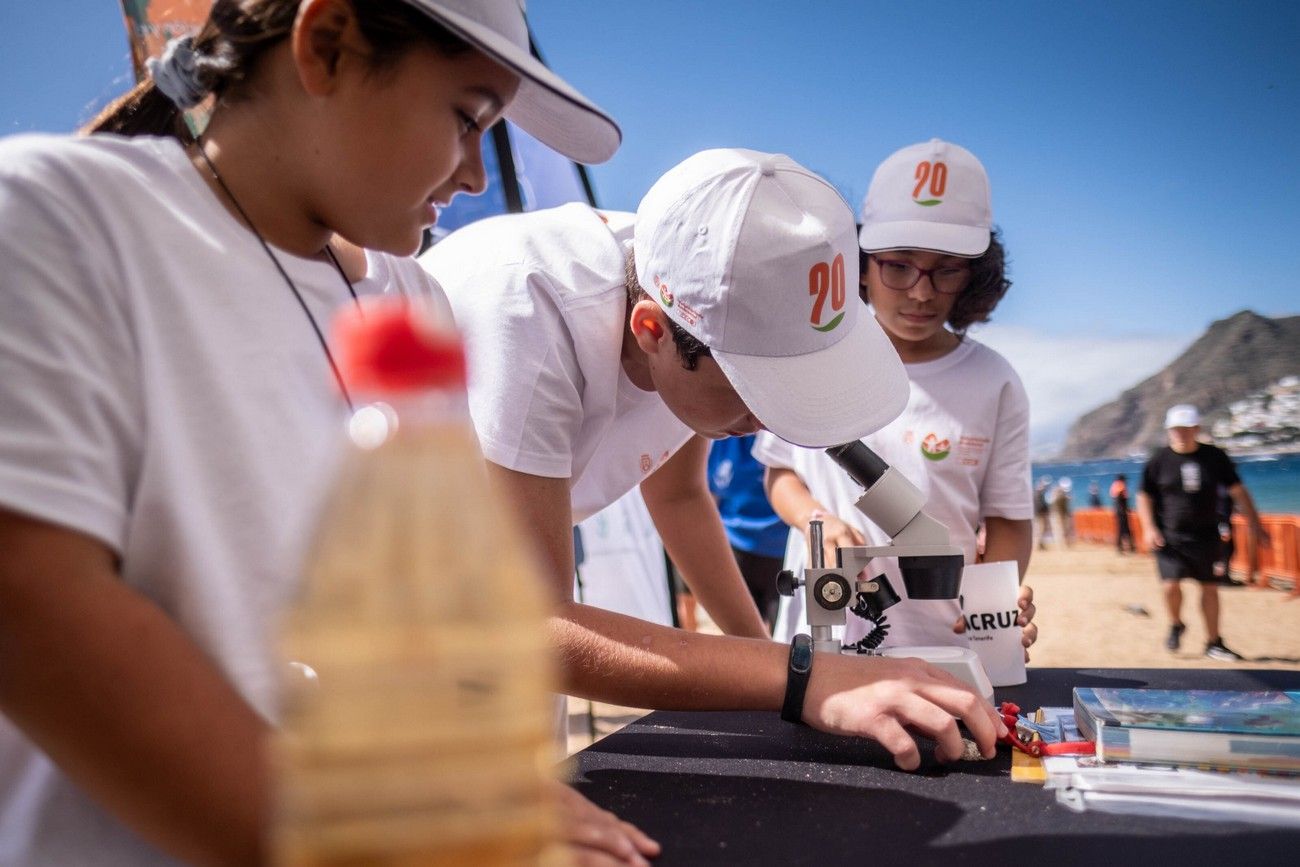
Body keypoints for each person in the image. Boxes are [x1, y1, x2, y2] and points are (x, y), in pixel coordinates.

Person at [0, 2, 658, 865]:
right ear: (328, 44)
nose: (470, 176)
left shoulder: (411, 304)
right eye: (464, 119)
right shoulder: (54, 215)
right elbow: (32, 600)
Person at [419, 148, 1008, 774]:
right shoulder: (527, 312)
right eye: (754, 391)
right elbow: (527, 627)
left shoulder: (699, 284)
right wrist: (803, 679)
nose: (771, 421)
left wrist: (772, 671)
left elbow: (678, 497)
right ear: (652, 332)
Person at [756, 138, 1037, 652]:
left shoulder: (995, 381)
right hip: (818, 639)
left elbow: (1008, 521)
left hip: (946, 642)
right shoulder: (812, 359)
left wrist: (995, 603)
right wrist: (817, 520)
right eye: (899, 265)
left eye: (946, 268)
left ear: (975, 276)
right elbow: (780, 474)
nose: (921, 292)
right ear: (861, 263)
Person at [1138, 404, 1269, 660]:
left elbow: (1238, 491)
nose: (1181, 434)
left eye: (1186, 429)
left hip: (1207, 536)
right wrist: (1148, 528)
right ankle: (1176, 623)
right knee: (1170, 586)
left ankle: (1214, 641)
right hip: (1170, 537)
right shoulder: (1158, 461)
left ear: (1196, 429)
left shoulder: (1214, 457)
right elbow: (1144, 496)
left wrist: (1255, 523)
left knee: (1209, 589)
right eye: (1176, 429)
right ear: (1169, 431)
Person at [708, 436, 790, 633]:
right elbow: (706, 493)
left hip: (780, 552)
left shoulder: (779, 436)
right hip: (735, 548)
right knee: (739, 637)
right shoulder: (721, 439)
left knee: (782, 635)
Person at [1110, 473, 1136, 553]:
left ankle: (1123, 547)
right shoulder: (1120, 486)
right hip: (1122, 513)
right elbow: (1120, 498)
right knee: (1125, 530)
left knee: (1121, 530)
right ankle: (1128, 547)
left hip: (1118, 512)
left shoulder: (1114, 486)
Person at [1049, 477, 1074, 549]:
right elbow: (1053, 503)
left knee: (1066, 528)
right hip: (1057, 514)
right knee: (1058, 530)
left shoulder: (1066, 493)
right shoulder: (1055, 492)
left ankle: (1066, 544)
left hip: (1064, 514)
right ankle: (1060, 545)